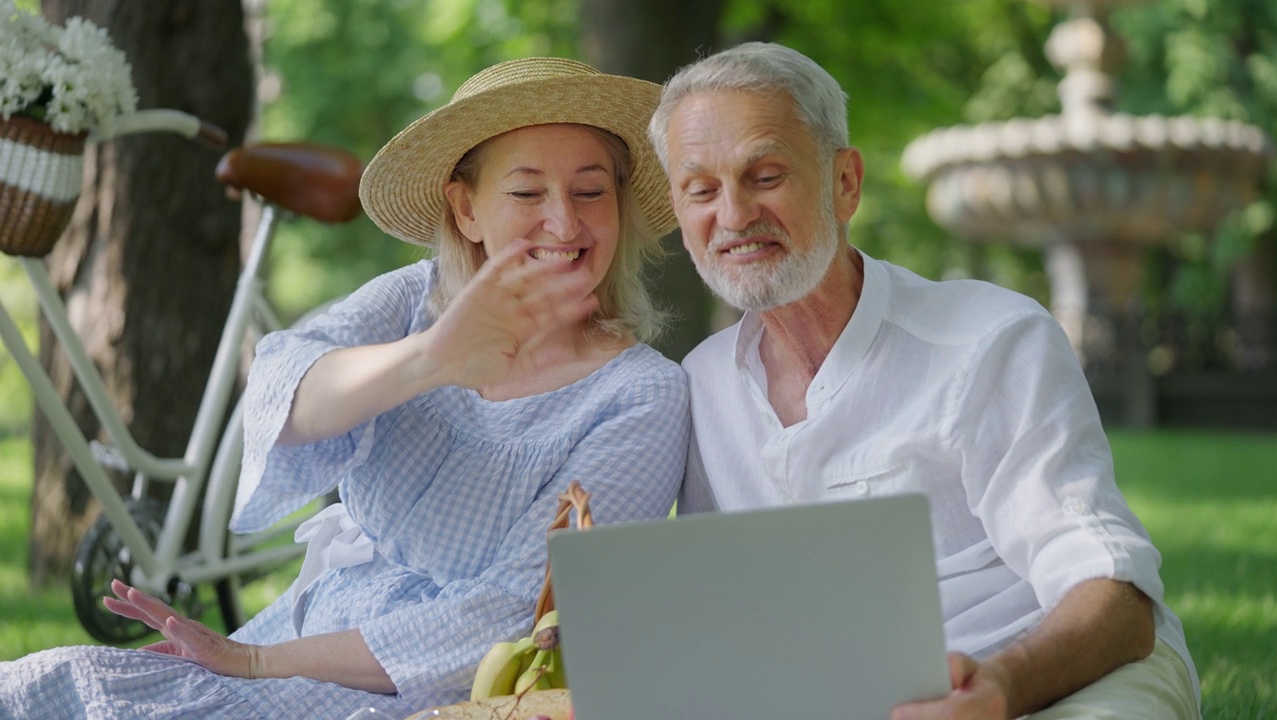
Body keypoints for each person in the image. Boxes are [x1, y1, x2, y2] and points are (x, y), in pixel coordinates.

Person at [0, 56, 689, 719]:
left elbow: (514, 616)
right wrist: (429, 359)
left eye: (592, 191)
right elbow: (283, 389)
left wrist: (261, 661)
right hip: (315, 626)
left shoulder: (641, 396)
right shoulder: (415, 304)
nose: (565, 223)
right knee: (46, 683)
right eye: (527, 191)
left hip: (424, 687)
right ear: (467, 209)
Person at [648, 42, 1200, 720]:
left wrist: (1001, 687)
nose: (732, 216)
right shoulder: (700, 386)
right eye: (701, 189)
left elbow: (1115, 595)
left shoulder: (990, 340)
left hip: (1058, 673)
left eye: (764, 176)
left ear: (844, 182)